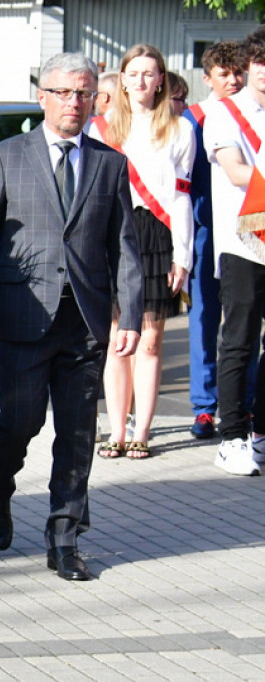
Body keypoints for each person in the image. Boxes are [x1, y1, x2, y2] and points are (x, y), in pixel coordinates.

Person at [0, 52, 142, 581]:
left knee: (78, 435)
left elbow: (125, 247)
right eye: (63, 92)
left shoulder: (110, 163)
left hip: (85, 324)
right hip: (24, 317)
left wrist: (129, 314)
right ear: (42, 96)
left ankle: (64, 538)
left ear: (95, 99)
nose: (74, 101)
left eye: (84, 92)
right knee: (21, 423)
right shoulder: (4, 158)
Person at [89, 44, 194, 460]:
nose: (141, 81)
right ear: (122, 78)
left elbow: (183, 198)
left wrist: (182, 255)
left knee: (149, 341)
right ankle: (116, 429)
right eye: (133, 73)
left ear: (161, 80)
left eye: (150, 73)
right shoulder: (102, 129)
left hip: (157, 236)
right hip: (113, 234)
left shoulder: (180, 129)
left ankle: (142, 431)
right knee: (118, 340)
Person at [204, 31, 265, 476]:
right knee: (239, 340)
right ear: (247, 66)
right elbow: (235, 170)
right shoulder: (224, 115)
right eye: (259, 63)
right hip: (243, 240)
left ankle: (260, 431)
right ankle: (231, 436)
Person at [185, 41, 247, 440]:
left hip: (246, 230)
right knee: (205, 318)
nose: (233, 80)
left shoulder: (253, 115)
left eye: (238, 72)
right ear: (207, 79)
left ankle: (246, 402)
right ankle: (205, 407)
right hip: (205, 231)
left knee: (244, 322)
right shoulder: (194, 119)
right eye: (224, 74)